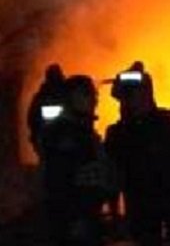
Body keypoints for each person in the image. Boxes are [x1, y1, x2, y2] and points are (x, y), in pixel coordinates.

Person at [104, 61, 170, 246]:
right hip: (140, 201)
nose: (132, 100)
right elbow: (113, 170)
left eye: (137, 93)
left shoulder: (168, 122)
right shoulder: (120, 132)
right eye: (129, 95)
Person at [39, 74, 112, 246]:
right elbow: (58, 180)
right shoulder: (63, 133)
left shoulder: (83, 132)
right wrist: (74, 219)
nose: (94, 100)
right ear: (72, 97)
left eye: (94, 95)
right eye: (87, 94)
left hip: (88, 214)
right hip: (73, 219)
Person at [27, 63, 66, 157]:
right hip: (55, 140)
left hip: (49, 140)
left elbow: (32, 119)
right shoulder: (65, 95)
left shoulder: (40, 97)